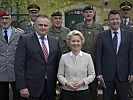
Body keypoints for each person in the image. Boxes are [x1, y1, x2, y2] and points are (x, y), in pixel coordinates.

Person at [14, 14, 61, 100]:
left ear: (49, 27)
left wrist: (59, 84)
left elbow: (58, 64)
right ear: (35, 26)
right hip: (31, 88)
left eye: (45, 25)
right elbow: (19, 65)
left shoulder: (55, 41)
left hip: (49, 87)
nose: (43, 27)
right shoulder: (25, 40)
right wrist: (22, 86)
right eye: (40, 25)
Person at [96, 10, 133, 100]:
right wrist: (99, 73)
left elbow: (131, 54)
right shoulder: (102, 35)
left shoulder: (129, 35)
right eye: (112, 19)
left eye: (117, 19)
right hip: (107, 74)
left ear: (120, 20)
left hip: (123, 74)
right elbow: (98, 55)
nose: (115, 21)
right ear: (108, 21)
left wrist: (131, 72)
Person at [75, 5, 103, 100]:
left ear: (94, 13)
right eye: (86, 12)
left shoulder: (99, 28)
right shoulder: (78, 27)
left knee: (93, 86)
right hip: (81, 61)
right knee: (81, 84)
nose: (88, 14)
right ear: (83, 14)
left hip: (95, 60)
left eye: (90, 12)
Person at [57, 30, 95, 100]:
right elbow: (60, 74)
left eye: (78, 41)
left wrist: (83, 82)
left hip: (83, 92)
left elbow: (92, 74)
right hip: (67, 92)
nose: (76, 43)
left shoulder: (88, 57)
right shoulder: (64, 57)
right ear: (69, 43)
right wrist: (67, 83)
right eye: (73, 41)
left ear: (82, 42)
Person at [0, 10, 24, 100]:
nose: (4, 21)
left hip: (16, 72)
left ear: (11, 20)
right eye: (2, 18)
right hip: (1, 72)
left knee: (18, 97)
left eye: (7, 18)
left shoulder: (20, 33)